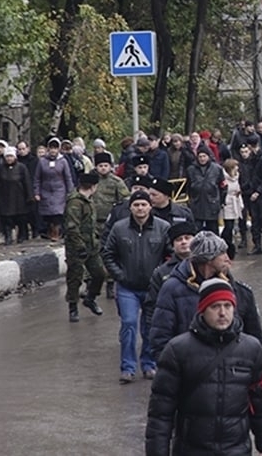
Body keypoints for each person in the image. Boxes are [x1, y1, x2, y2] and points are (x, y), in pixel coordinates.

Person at [146, 278, 262, 456]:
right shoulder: (178, 350)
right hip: (191, 450)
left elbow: (261, 403)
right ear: (202, 309)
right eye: (215, 306)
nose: (222, 313)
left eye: (227, 306)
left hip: (236, 450)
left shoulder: (252, 349)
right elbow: (161, 412)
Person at [148, 231, 262, 363]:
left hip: (232, 374)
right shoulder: (172, 289)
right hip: (190, 373)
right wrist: (174, 371)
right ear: (208, 259)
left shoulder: (239, 291)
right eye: (222, 253)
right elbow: (160, 337)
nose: (227, 258)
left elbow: (256, 342)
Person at [101, 190, 171, 383]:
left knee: (150, 327)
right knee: (129, 324)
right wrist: (119, 275)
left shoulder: (163, 228)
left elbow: (170, 255)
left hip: (152, 287)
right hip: (127, 287)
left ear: (150, 206)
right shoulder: (119, 228)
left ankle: (149, 364)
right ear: (130, 207)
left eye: (144, 204)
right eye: (136, 205)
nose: (140, 208)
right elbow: (108, 254)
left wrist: (161, 276)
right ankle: (128, 367)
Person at [63, 172, 105, 322]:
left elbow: (91, 224)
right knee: (75, 278)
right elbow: (72, 228)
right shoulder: (75, 203)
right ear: (93, 186)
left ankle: (90, 298)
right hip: (77, 247)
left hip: (91, 246)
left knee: (100, 274)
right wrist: (80, 247)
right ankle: (73, 307)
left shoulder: (88, 201)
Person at [143, 221, 197, 334]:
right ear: (173, 245)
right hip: (173, 328)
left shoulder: (206, 267)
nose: (183, 242)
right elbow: (152, 304)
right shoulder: (162, 272)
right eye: (179, 239)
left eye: (187, 238)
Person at [34, 136, 75, 241]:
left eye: (55, 148)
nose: (53, 150)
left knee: (58, 213)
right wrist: (37, 192)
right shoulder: (42, 161)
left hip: (59, 190)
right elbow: (37, 178)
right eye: (51, 148)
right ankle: (50, 229)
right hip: (45, 190)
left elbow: (68, 177)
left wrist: (71, 192)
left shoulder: (63, 161)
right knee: (48, 214)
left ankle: (56, 232)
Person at [241, 139, 262, 254]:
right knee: (255, 220)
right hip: (253, 193)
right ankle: (257, 244)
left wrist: (258, 191)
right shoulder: (252, 160)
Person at [0, 146, 33, 244]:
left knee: (21, 220)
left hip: (19, 198)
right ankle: (8, 237)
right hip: (4, 198)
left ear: (15, 157)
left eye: (11, 156)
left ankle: (21, 237)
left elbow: (27, 182)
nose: (9, 159)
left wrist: (30, 196)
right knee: (6, 220)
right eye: (7, 157)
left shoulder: (21, 167)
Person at [186, 145, 227, 234]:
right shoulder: (191, 169)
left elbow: (223, 186)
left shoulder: (217, 169)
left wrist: (220, 201)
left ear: (208, 156)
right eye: (200, 156)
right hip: (196, 203)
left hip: (212, 203)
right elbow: (188, 186)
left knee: (213, 230)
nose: (202, 159)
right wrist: (190, 200)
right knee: (196, 230)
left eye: (204, 156)